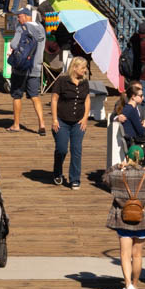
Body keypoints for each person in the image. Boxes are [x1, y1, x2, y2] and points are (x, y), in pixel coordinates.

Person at [107, 143, 145, 289]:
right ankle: (136, 284)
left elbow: (105, 177)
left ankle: (128, 285)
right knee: (137, 254)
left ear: (127, 158)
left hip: (123, 218)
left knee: (125, 254)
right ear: (143, 159)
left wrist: (118, 166)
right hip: (143, 218)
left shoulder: (118, 175)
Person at [52, 55, 93, 190]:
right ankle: (57, 171)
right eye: (83, 68)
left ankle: (74, 178)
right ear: (74, 68)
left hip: (78, 122)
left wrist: (85, 117)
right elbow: (54, 99)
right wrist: (54, 119)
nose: (85, 70)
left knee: (76, 149)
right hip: (62, 120)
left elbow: (87, 100)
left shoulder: (84, 82)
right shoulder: (62, 81)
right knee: (62, 149)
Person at [8, 6, 50, 135]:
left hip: (21, 68)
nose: (18, 19)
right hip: (36, 68)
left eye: (19, 16)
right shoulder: (41, 28)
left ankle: (16, 124)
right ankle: (42, 125)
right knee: (35, 96)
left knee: (17, 96)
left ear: (26, 16)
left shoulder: (22, 27)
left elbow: (14, 45)